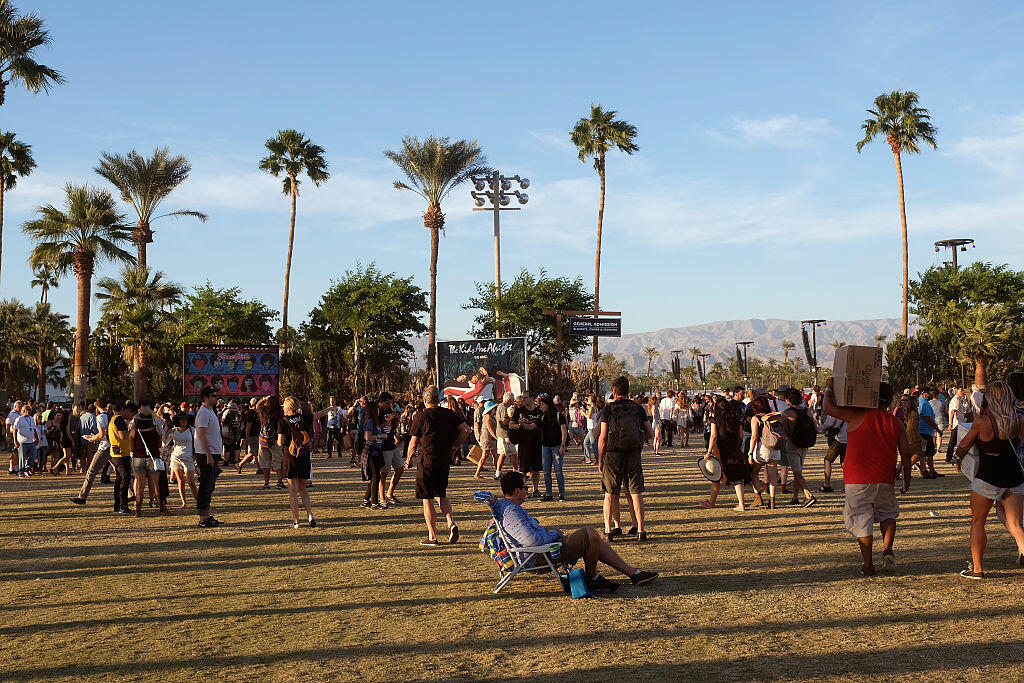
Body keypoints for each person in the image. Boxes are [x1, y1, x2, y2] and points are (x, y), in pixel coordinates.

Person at [494, 470, 658, 589]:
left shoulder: (508, 507)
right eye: (526, 488)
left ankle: (633, 574)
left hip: (542, 550)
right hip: (539, 555)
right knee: (591, 533)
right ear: (517, 491)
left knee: (593, 539)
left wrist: (549, 531)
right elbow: (533, 541)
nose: (527, 491)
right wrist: (553, 534)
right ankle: (593, 577)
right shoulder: (511, 513)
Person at [823, 378, 911, 577]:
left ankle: (868, 564)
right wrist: (907, 477)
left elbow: (827, 408)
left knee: (862, 521)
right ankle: (887, 549)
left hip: (857, 478)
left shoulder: (856, 415)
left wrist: (829, 387)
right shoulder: (896, 423)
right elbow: (906, 454)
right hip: (885, 477)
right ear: (889, 402)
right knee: (888, 514)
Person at [952, 380, 1024, 579]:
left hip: (989, 476)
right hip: (1014, 476)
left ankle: (977, 569)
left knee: (977, 521)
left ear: (989, 399)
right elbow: (1016, 446)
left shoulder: (982, 422)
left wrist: (956, 459)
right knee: (1016, 524)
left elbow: (964, 445)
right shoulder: (1020, 420)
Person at [407, 385, 470, 546]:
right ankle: (450, 522)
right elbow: (466, 430)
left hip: (426, 459)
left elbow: (413, 442)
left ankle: (433, 536)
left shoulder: (420, 416)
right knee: (441, 494)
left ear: (424, 399)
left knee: (427, 499)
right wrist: (455, 445)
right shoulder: (449, 414)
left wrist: (408, 459)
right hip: (444, 459)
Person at [597, 376, 654, 542]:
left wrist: (600, 459)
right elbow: (650, 433)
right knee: (636, 492)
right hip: (633, 454)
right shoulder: (638, 408)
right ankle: (641, 530)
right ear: (628, 391)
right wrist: (637, 440)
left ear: (614, 391)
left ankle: (609, 529)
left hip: (613, 455)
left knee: (610, 493)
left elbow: (602, 438)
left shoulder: (608, 410)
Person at [702, 395, 751, 510]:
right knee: (737, 477)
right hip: (734, 449)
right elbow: (741, 435)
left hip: (721, 449)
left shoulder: (716, 419)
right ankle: (741, 504)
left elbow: (713, 436)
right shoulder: (735, 418)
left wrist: (709, 451)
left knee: (716, 475)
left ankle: (712, 502)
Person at [281, 396, 317, 529]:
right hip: (304, 455)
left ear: (289, 408)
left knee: (293, 492)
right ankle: (310, 514)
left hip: (290, 456)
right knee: (303, 490)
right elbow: (318, 415)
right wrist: (331, 408)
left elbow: (280, 441)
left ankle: (296, 521)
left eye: (284, 405)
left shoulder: (283, 421)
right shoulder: (305, 417)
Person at [780, 387, 819, 507]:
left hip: (793, 444)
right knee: (798, 471)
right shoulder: (806, 411)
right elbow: (816, 428)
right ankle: (795, 497)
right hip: (805, 444)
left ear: (787, 399)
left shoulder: (787, 413)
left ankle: (808, 496)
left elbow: (783, 430)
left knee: (797, 472)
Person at [194, 386, 224, 528]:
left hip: (212, 452)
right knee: (205, 486)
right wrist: (208, 455)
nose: (216, 398)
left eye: (216, 395)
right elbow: (201, 434)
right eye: (213, 395)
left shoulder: (210, 411)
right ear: (206, 397)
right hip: (206, 454)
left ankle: (206, 515)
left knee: (209, 486)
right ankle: (202, 518)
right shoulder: (204, 412)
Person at [130, 401, 167, 516]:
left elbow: (131, 448)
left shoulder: (133, 432)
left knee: (140, 484)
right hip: (153, 458)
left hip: (138, 458)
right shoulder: (155, 431)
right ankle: (161, 507)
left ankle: (138, 509)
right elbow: (159, 445)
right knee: (156, 484)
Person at [747, 396, 781, 509]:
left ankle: (758, 498)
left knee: (754, 473)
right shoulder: (773, 417)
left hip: (763, 449)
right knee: (773, 477)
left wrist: (750, 453)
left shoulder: (756, 418)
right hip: (775, 448)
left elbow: (754, 437)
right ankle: (772, 501)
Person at [509, 390, 544, 497]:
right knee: (523, 470)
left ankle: (536, 489)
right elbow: (511, 425)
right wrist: (520, 425)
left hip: (537, 443)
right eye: (522, 398)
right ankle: (523, 489)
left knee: (536, 469)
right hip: (524, 444)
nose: (523, 400)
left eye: (525, 397)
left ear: (532, 398)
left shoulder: (539, 412)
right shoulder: (519, 411)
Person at [165, 411, 198, 508]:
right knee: (180, 481)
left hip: (188, 457)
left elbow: (197, 443)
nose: (183, 421)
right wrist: (167, 434)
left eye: (185, 419)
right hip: (175, 457)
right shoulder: (174, 430)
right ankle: (184, 502)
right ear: (177, 420)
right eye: (181, 419)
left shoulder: (192, 430)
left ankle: (198, 502)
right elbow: (164, 444)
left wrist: (195, 454)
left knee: (191, 482)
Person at [538, 395, 567, 501]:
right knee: (546, 471)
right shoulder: (542, 416)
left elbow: (564, 430)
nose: (541, 406)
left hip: (556, 446)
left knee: (558, 471)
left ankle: (561, 493)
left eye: (542, 404)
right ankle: (549, 493)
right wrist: (522, 423)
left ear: (548, 405)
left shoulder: (559, 415)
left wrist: (563, 445)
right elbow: (533, 426)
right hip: (545, 446)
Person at [109, 402, 136, 514]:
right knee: (125, 480)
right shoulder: (119, 419)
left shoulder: (115, 418)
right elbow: (122, 435)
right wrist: (133, 433)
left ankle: (118, 505)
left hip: (117, 452)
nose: (132, 417)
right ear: (127, 410)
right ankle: (122, 505)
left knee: (119, 480)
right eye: (132, 414)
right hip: (120, 453)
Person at [474, 400, 499, 480]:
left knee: (494, 455)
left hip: (489, 438)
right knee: (485, 456)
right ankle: (477, 474)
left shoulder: (489, 416)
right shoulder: (487, 416)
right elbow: (489, 428)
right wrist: (495, 437)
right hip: (487, 438)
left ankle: (498, 472)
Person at [494, 391, 517, 474]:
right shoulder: (504, 407)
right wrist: (512, 423)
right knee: (513, 453)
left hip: (501, 434)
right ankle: (516, 471)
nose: (513, 401)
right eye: (512, 399)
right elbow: (504, 420)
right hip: (505, 434)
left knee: (503, 454)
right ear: (509, 399)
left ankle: (498, 473)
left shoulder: (500, 406)